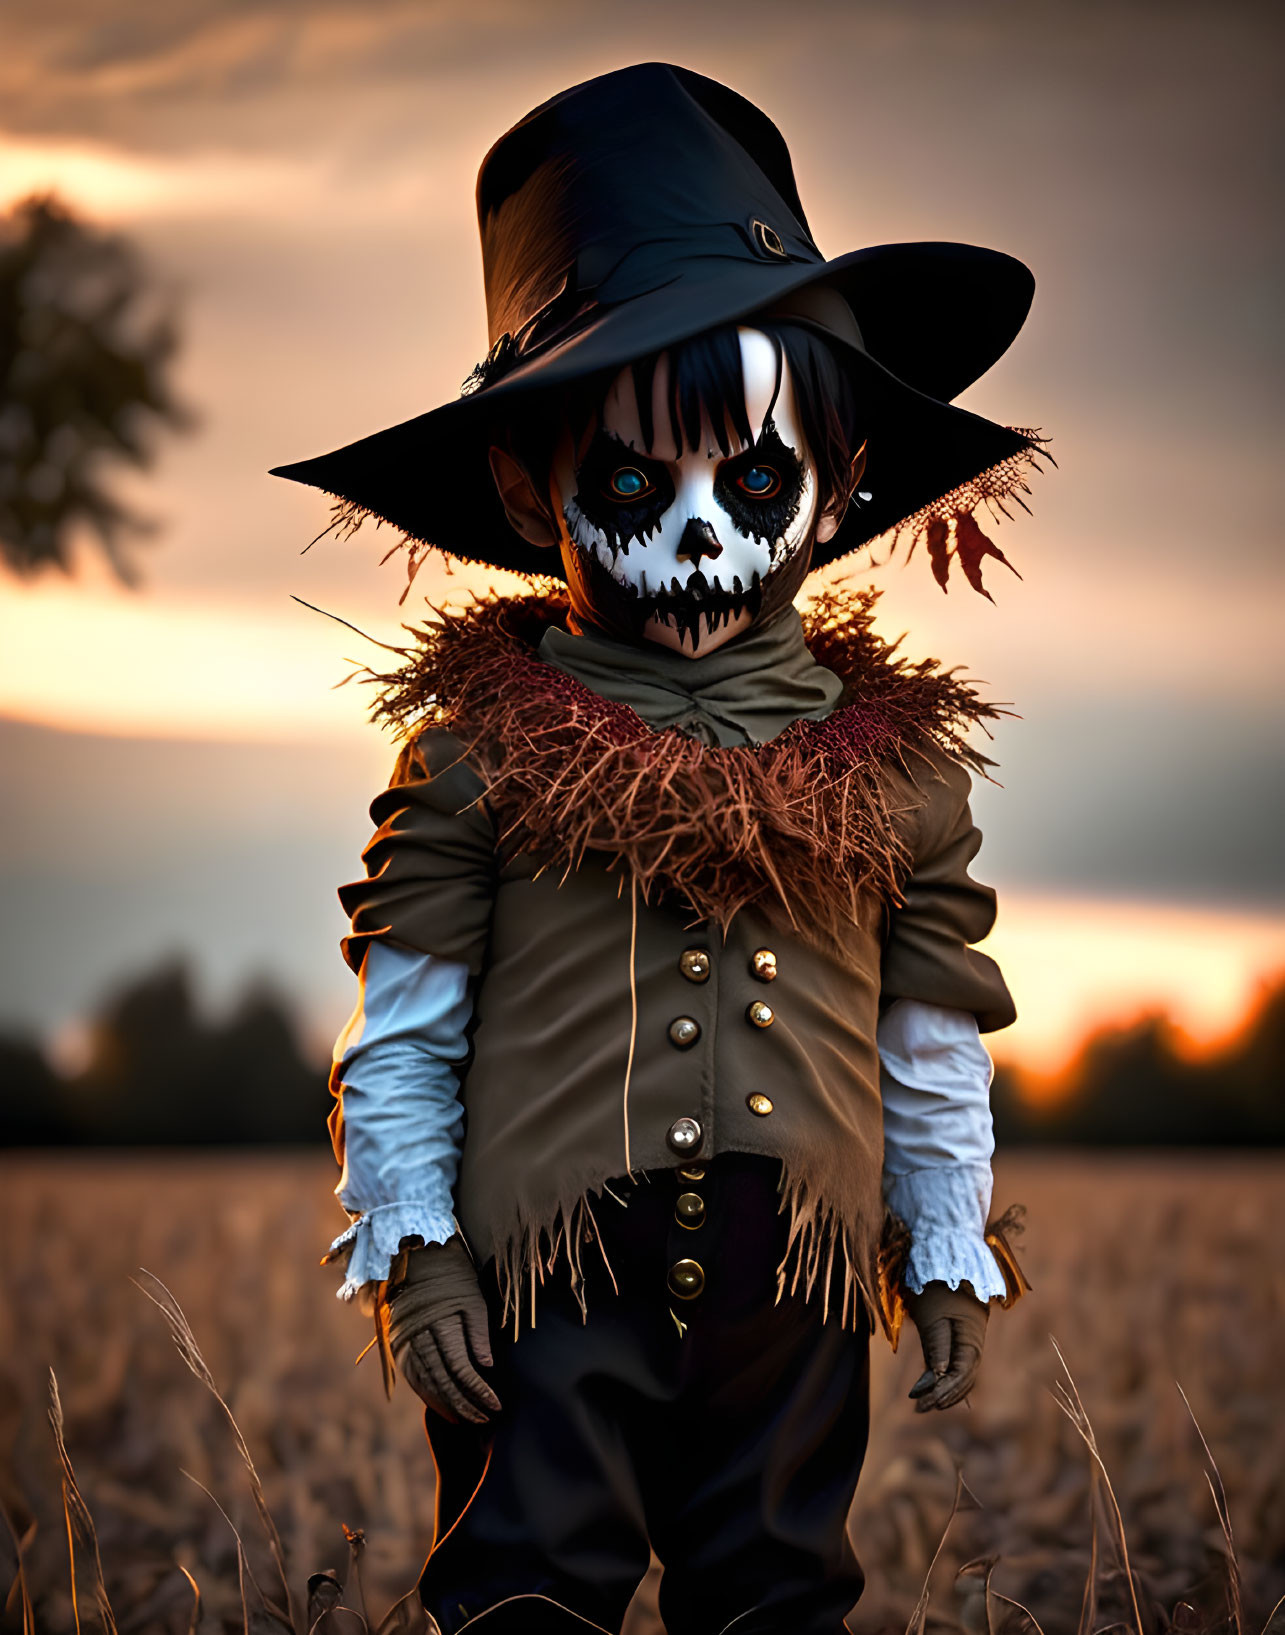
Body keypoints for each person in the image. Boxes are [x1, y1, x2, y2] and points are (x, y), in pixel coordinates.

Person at [274, 61, 1040, 1635]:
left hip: (795, 1301)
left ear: (835, 492)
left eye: (753, 478)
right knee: (525, 1590)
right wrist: (415, 1251)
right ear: (523, 482)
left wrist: (946, 1237)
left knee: (774, 1589)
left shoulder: (894, 775)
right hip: (543, 1292)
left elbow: (928, 1025)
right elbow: (404, 1029)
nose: (703, 528)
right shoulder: (476, 752)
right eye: (634, 477)